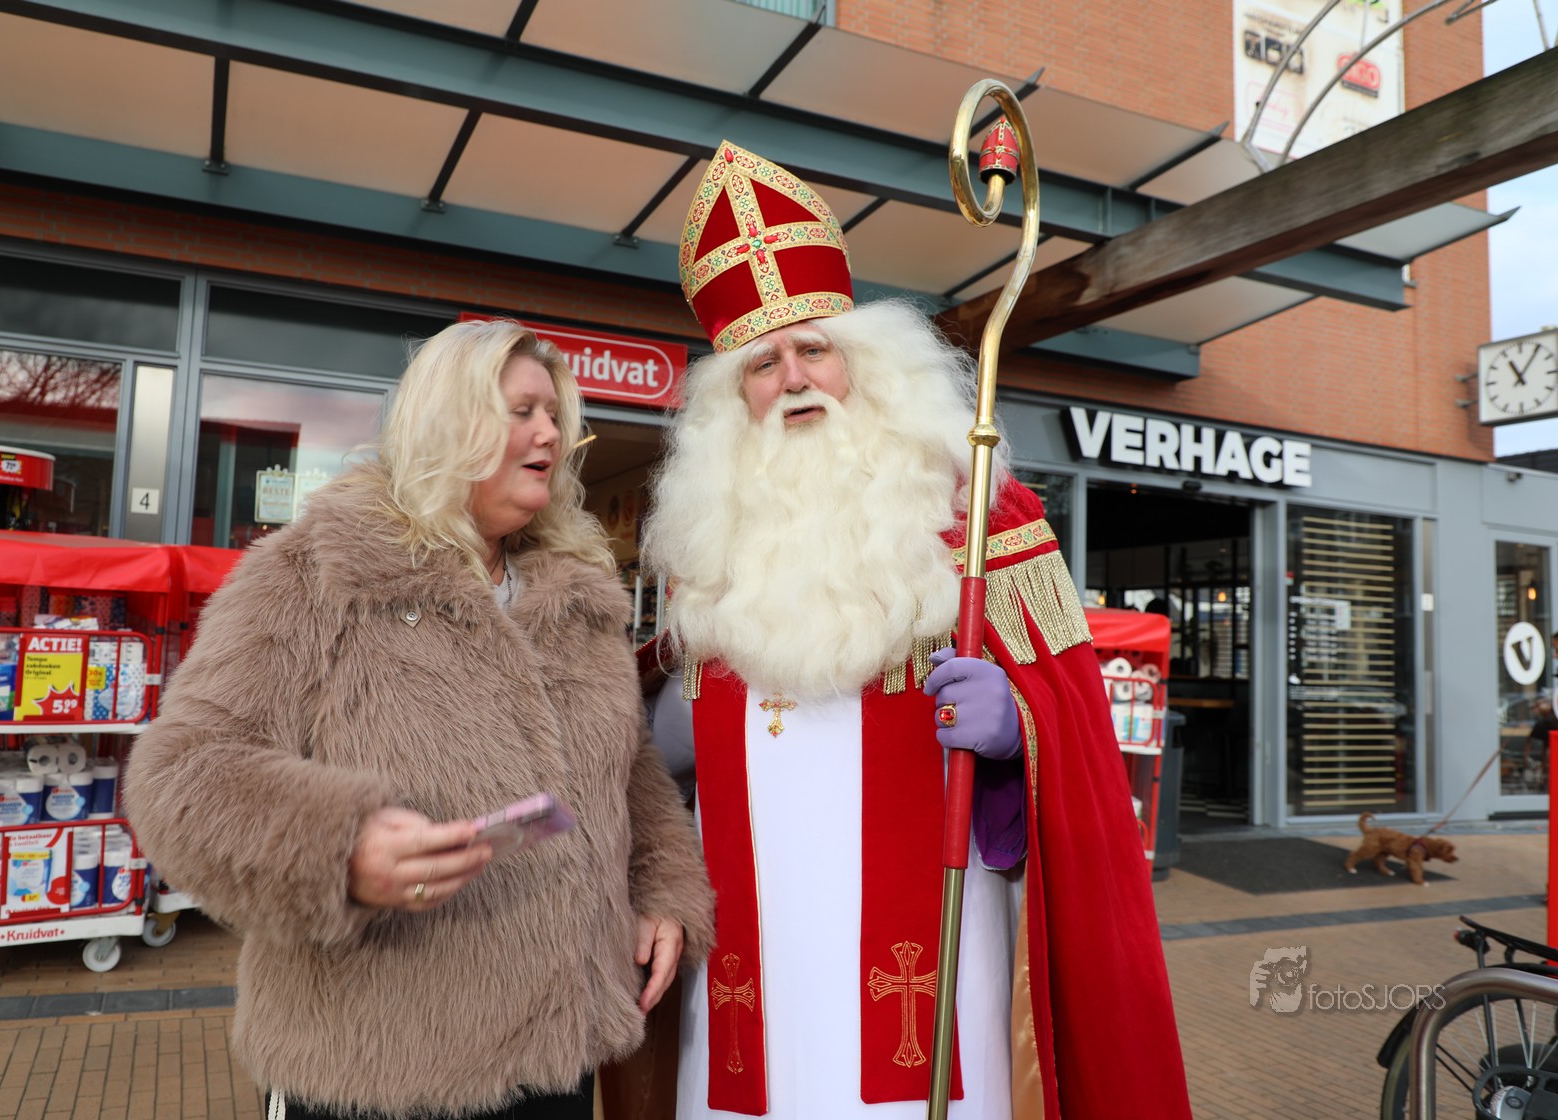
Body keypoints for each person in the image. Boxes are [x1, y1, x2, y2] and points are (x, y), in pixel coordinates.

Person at [639, 142, 1191, 1118]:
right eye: (764, 362)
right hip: (748, 978)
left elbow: (1080, 747)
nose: (795, 377)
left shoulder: (982, 518)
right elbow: (662, 762)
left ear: (867, 361)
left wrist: (1020, 727)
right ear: (735, 398)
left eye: (815, 348)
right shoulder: (704, 549)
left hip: (931, 970)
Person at [125, 319, 714, 1120]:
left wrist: (663, 890)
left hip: (556, 1058)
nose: (550, 433)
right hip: (377, 1068)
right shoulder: (314, 572)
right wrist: (339, 848)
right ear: (445, 424)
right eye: (522, 411)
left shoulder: (579, 596)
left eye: (554, 415)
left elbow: (633, 772)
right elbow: (183, 774)